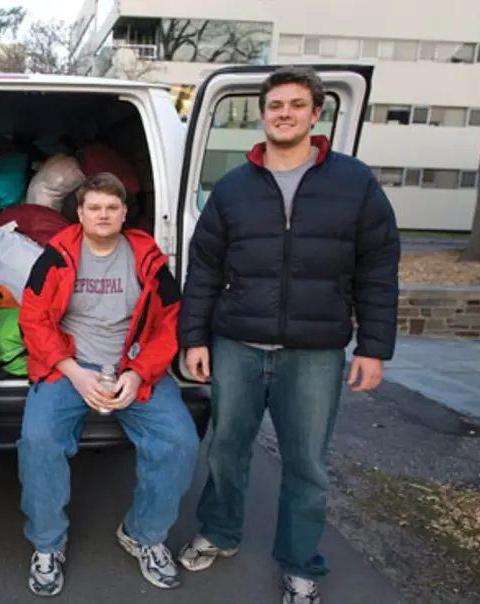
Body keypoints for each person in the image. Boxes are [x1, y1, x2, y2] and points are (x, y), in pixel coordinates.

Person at [175, 66, 401, 604]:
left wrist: (373, 347)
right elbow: (204, 269)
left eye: (297, 105)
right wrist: (194, 338)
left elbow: (377, 268)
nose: (285, 114)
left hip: (315, 352)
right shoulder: (233, 188)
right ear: (262, 114)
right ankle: (220, 532)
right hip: (237, 345)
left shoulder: (354, 183)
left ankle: (301, 564)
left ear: (315, 113)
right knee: (226, 450)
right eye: (275, 105)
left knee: (307, 466)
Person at [16, 172, 200, 597]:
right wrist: (73, 371)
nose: (103, 215)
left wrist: (139, 372)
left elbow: (169, 323)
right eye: (94, 208)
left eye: (111, 208)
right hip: (69, 366)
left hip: (133, 365)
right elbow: (33, 318)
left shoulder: (147, 257)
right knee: (39, 441)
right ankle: (48, 544)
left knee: (179, 441)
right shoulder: (57, 255)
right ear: (79, 214)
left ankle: (143, 534)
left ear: (123, 213)